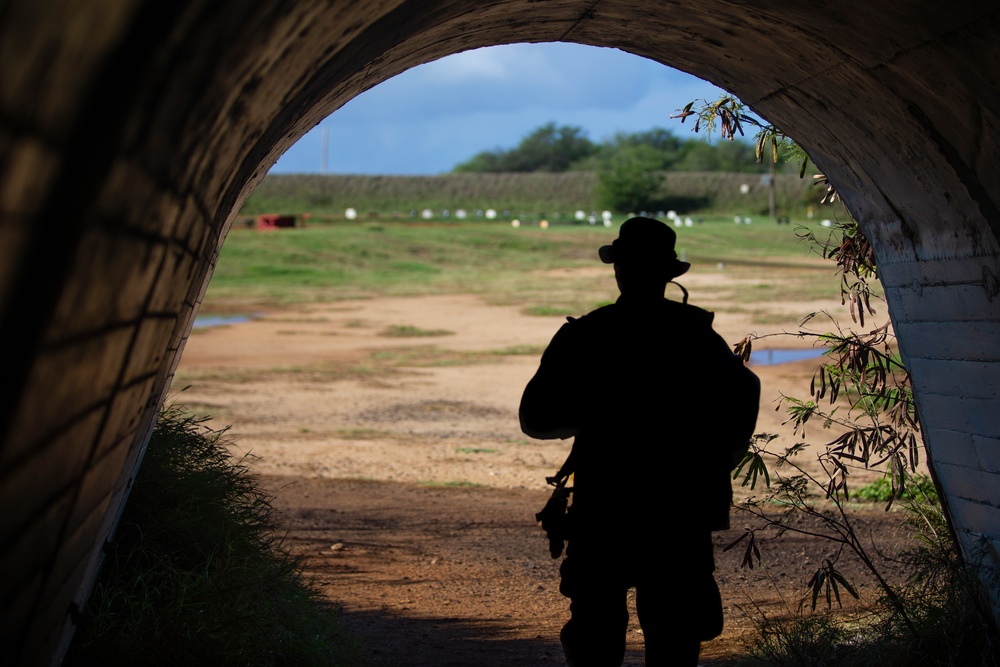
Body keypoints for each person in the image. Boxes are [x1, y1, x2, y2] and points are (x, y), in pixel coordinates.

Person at [519, 217, 759, 666]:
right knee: (674, 636)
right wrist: (716, 460)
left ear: (618, 269)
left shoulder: (585, 336)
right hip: (678, 511)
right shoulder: (699, 338)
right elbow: (744, 397)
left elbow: (535, 419)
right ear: (669, 275)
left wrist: (596, 411)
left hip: (605, 508)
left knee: (595, 634)